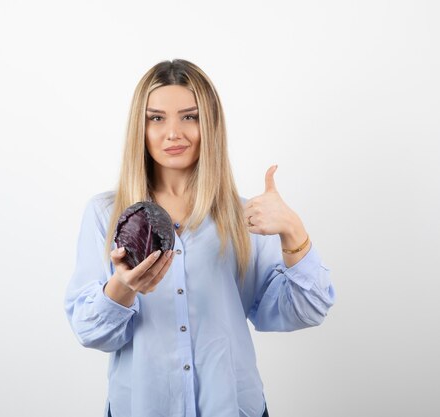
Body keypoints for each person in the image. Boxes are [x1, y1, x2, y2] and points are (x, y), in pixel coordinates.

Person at [63, 59, 335, 417]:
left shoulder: (245, 217)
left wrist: (292, 230)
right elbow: (91, 332)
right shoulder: (106, 214)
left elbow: (303, 312)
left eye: (189, 117)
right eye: (156, 118)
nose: (173, 133)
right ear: (139, 128)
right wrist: (122, 287)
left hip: (233, 407)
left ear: (210, 124)